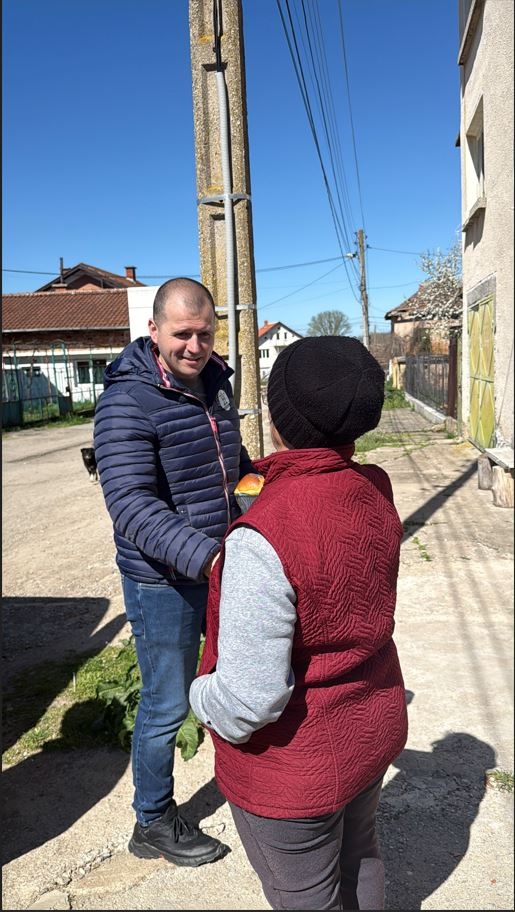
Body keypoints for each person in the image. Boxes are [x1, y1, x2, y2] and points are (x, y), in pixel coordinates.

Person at [190, 336, 409, 909]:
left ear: (278, 419)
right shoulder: (374, 487)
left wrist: (199, 695)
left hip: (295, 769)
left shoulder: (264, 535)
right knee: (360, 854)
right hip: (372, 728)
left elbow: (249, 700)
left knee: (306, 894)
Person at [94, 276, 255, 867]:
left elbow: (232, 464)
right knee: (166, 704)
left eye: (205, 334)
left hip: (219, 567)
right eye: (182, 333)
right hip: (163, 581)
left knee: (237, 680)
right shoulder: (127, 402)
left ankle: (247, 782)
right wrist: (208, 558)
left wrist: (269, 493)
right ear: (154, 330)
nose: (195, 345)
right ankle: (152, 820)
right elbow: (131, 505)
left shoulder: (215, 385)